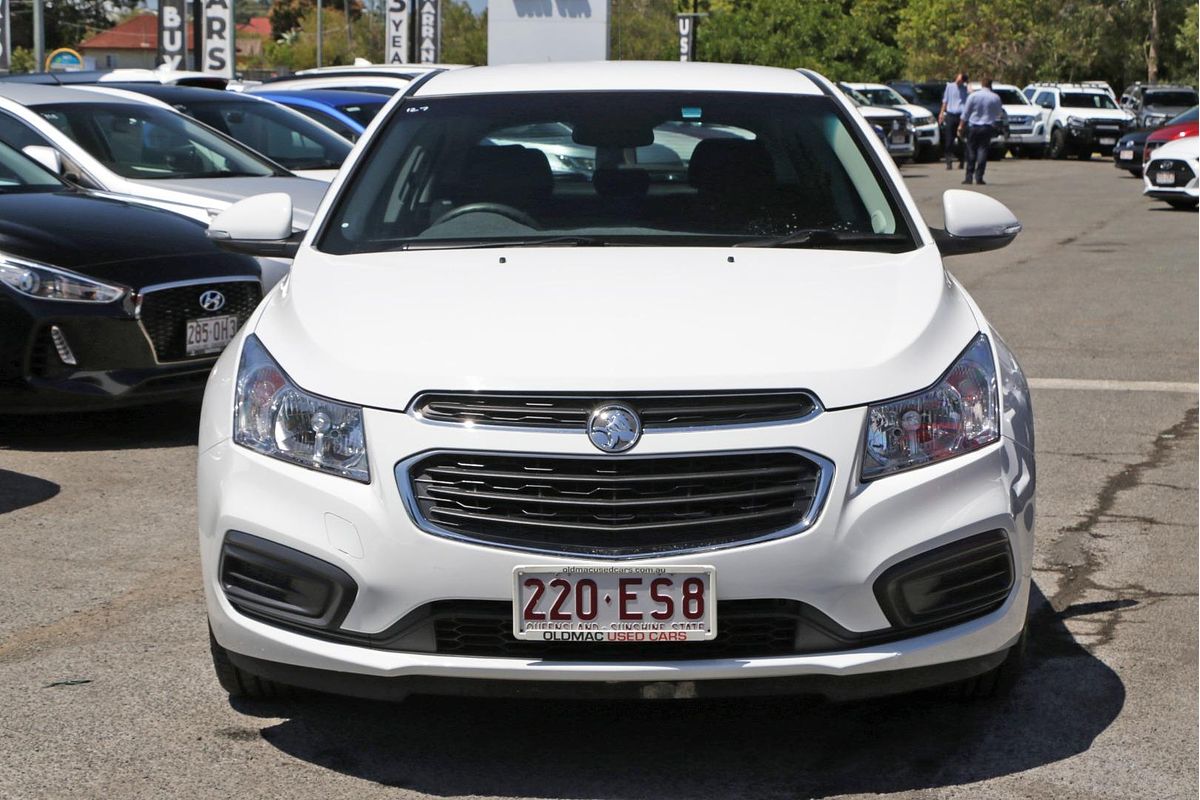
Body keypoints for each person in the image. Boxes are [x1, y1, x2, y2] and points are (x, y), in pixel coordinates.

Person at [957, 77, 1003, 185]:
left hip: (973, 126)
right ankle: (979, 177)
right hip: (987, 127)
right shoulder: (995, 97)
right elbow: (999, 113)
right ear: (991, 85)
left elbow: (966, 113)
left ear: (982, 84)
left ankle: (969, 177)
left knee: (971, 150)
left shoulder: (973, 96)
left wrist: (960, 126)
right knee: (982, 150)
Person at [939, 72, 969, 169]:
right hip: (951, 114)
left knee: (961, 140)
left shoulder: (965, 89)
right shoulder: (950, 86)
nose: (958, 81)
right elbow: (945, 101)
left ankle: (962, 160)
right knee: (949, 140)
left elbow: (968, 101)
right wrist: (941, 113)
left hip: (961, 116)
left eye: (960, 80)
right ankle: (949, 161)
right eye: (957, 79)